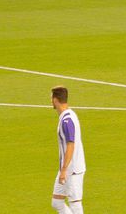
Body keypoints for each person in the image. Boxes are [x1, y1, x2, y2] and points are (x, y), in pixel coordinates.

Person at [50, 85, 86, 214]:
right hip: (66, 169)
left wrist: (64, 170)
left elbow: (71, 144)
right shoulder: (69, 115)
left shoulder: (67, 120)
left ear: (55, 99)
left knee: (75, 205)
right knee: (57, 202)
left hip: (73, 170)